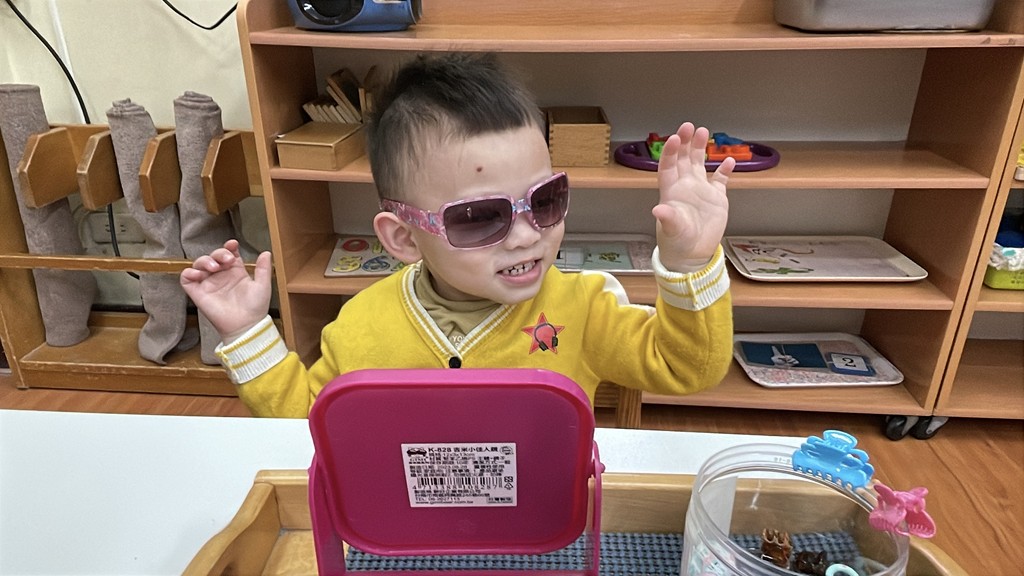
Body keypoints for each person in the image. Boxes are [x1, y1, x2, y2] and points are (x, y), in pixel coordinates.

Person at [180, 52, 735, 418]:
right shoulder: (361, 327)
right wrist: (249, 332)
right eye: (478, 217)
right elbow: (309, 425)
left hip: (543, 527)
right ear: (403, 238)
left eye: (546, 199)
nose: (526, 235)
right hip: (405, 534)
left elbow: (687, 368)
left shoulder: (586, 308)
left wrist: (689, 264)